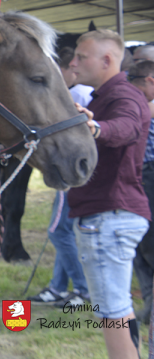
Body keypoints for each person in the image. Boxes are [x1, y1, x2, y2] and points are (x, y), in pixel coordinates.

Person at [69, 29, 151, 359]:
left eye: (81, 57)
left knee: (112, 315)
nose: (73, 62)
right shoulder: (110, 96)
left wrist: (97, 128)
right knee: (118, 310)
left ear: (106, 61)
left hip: (108, 219)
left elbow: (127, 127)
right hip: (112, 216)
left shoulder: (124, 97)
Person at [28, 47, 91, 307]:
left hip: (69, 169)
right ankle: (57, 286)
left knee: (57, 232)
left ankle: (82, 288)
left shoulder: (75, 93)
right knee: (64, 231)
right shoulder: (88, 92)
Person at [128, 60, 154, 324]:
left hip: (150, 172)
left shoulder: (144, 104)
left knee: (148, 241)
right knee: (140, 241)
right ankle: (149, 301)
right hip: (140, 173)